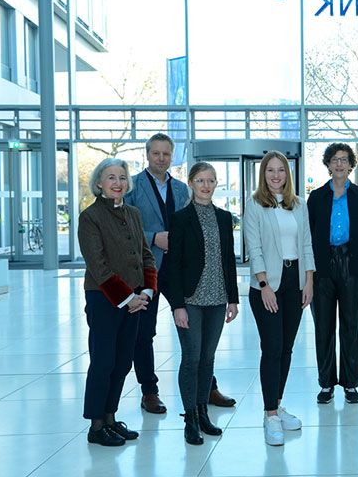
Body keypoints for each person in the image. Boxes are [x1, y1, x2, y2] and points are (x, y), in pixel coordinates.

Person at [125, 133, 235, 413]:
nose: (161, 158)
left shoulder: (181, 189)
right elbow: (125, 227)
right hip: (148, 269)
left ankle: (207, 387)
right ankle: (149, 391)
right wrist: (152, 238)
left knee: (196, 337)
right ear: (147, 155)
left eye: (166, 154)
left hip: (182, 272)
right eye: (156, 153)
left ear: (172, 157)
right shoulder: (133, 186)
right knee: (145, 332)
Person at [78, 158, 157, 446]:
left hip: (136, 298)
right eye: (110, 178)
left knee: (123, 361)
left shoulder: (134, 213)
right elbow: (97, 266)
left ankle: (110, 418)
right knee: (103, 362)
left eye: (122, 177)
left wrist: (146, 293)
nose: (117, 183)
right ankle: (96, 425)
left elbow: (146, 256)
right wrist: (128, 298)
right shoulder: (90, 217)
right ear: (99, 183)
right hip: (104, 300)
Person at [243, 151, 315, 446]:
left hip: (295, 281)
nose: (276, 176)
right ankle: (270, 414)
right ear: (264, 174)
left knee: (286, 349)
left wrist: (308, 280)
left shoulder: (298, 204)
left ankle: (278, 403)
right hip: (267, 284)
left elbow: (307, 242)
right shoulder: (255, 204)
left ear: (288, 174)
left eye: (281, 171)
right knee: (271, 348)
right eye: (270, 171)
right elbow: (254, 247)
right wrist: (264, 285)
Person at [166, 162, 240, 445]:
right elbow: (173, 265)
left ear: (216, 183)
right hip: (191, 299)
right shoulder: (181, 218)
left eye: (210, 181)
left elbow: (228, 260)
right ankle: (190, 419)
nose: (206, 186)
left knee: (207, 359)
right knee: (192, 357)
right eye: (200, 180)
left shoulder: (224, 217)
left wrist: (233, 298)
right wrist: (177, 305)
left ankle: (202, 412)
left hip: (218, 298)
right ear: (191, 183)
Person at [308, 143, 358, 405]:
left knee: (351, 327)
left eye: (344, 160)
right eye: (334, 160)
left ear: (350, 164)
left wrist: (355, 258)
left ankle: (350, 384)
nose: (339, 164)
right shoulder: (316, 197)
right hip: (323, 266)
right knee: (323, 327)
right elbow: (309, 233)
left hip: (352, 266)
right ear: (327, 164)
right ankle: (326, 384)